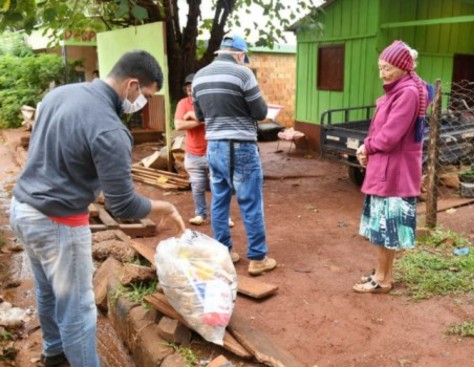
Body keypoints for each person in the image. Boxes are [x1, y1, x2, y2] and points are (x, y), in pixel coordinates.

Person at [9, 50, 186, 366]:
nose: (142, 102)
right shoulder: (110, 130)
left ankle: (54, 353)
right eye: (145, 95)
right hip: (57, 223)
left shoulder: (58, 95)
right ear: (132, 85)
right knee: (79, 309)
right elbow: (123, 204)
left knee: (48, 290)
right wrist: (165, 206)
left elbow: (48, 151)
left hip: (22, 210)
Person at [191, 35, 277, 275]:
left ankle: (224, 252)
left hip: (214, 146)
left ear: (220, 52)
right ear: (240, 54)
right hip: (242, 145)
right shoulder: (243, 74)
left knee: (219, 200)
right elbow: (260, 112)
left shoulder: (199, 77)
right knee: (250, 202)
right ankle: (258, 258)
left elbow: (199, 116)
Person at [353, 40, 429, 294]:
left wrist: (367, 147)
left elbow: (389, 136)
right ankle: (380, 273)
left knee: (385, 229)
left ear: (404, 67)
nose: (382, 73)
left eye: (388, 68)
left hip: (393, 173)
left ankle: (383, 280)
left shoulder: (406, 93)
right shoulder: (399, 90)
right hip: (386, 168)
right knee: (381, 228)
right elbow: (380, 132)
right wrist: (368, 149)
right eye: (380, 67)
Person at [174, 74, 235, 230]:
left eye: (193, 89)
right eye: (188, 90)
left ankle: (223, 216)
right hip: (192, 153)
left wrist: (191, 117)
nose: (190, 92)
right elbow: (179, 125)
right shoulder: (183, 103)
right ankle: (201, 214)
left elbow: (218, 120)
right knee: (197, 186)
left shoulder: (211, 102)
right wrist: (200, 120)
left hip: (213, 152)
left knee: (219, 186)